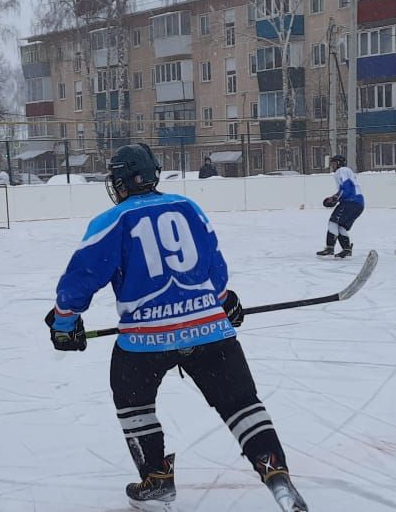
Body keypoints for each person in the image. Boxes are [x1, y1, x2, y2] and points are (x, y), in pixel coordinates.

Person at [45, 144, 308, 512]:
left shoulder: (111, 220)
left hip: (145, 340)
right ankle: (276, 474)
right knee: (241, 404)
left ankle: (157, 478)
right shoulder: (189, 208)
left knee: (132, 399)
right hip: (209, 330)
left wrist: (63, 321)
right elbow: (212, 264)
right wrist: (223, 297)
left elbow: (83, 278)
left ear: (121, 181)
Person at [317, 154, 365, 258]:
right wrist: (336, 197)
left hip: (350, 202)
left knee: (333, 222)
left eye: (334, 163)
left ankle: (330, 248)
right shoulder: (347, 171)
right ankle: (347, 249)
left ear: (339, 163)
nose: (332, 166)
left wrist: (334, 198)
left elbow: (346, 188)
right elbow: (346, 189)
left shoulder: (342, 170)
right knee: (341, 226)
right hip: (359, 203)